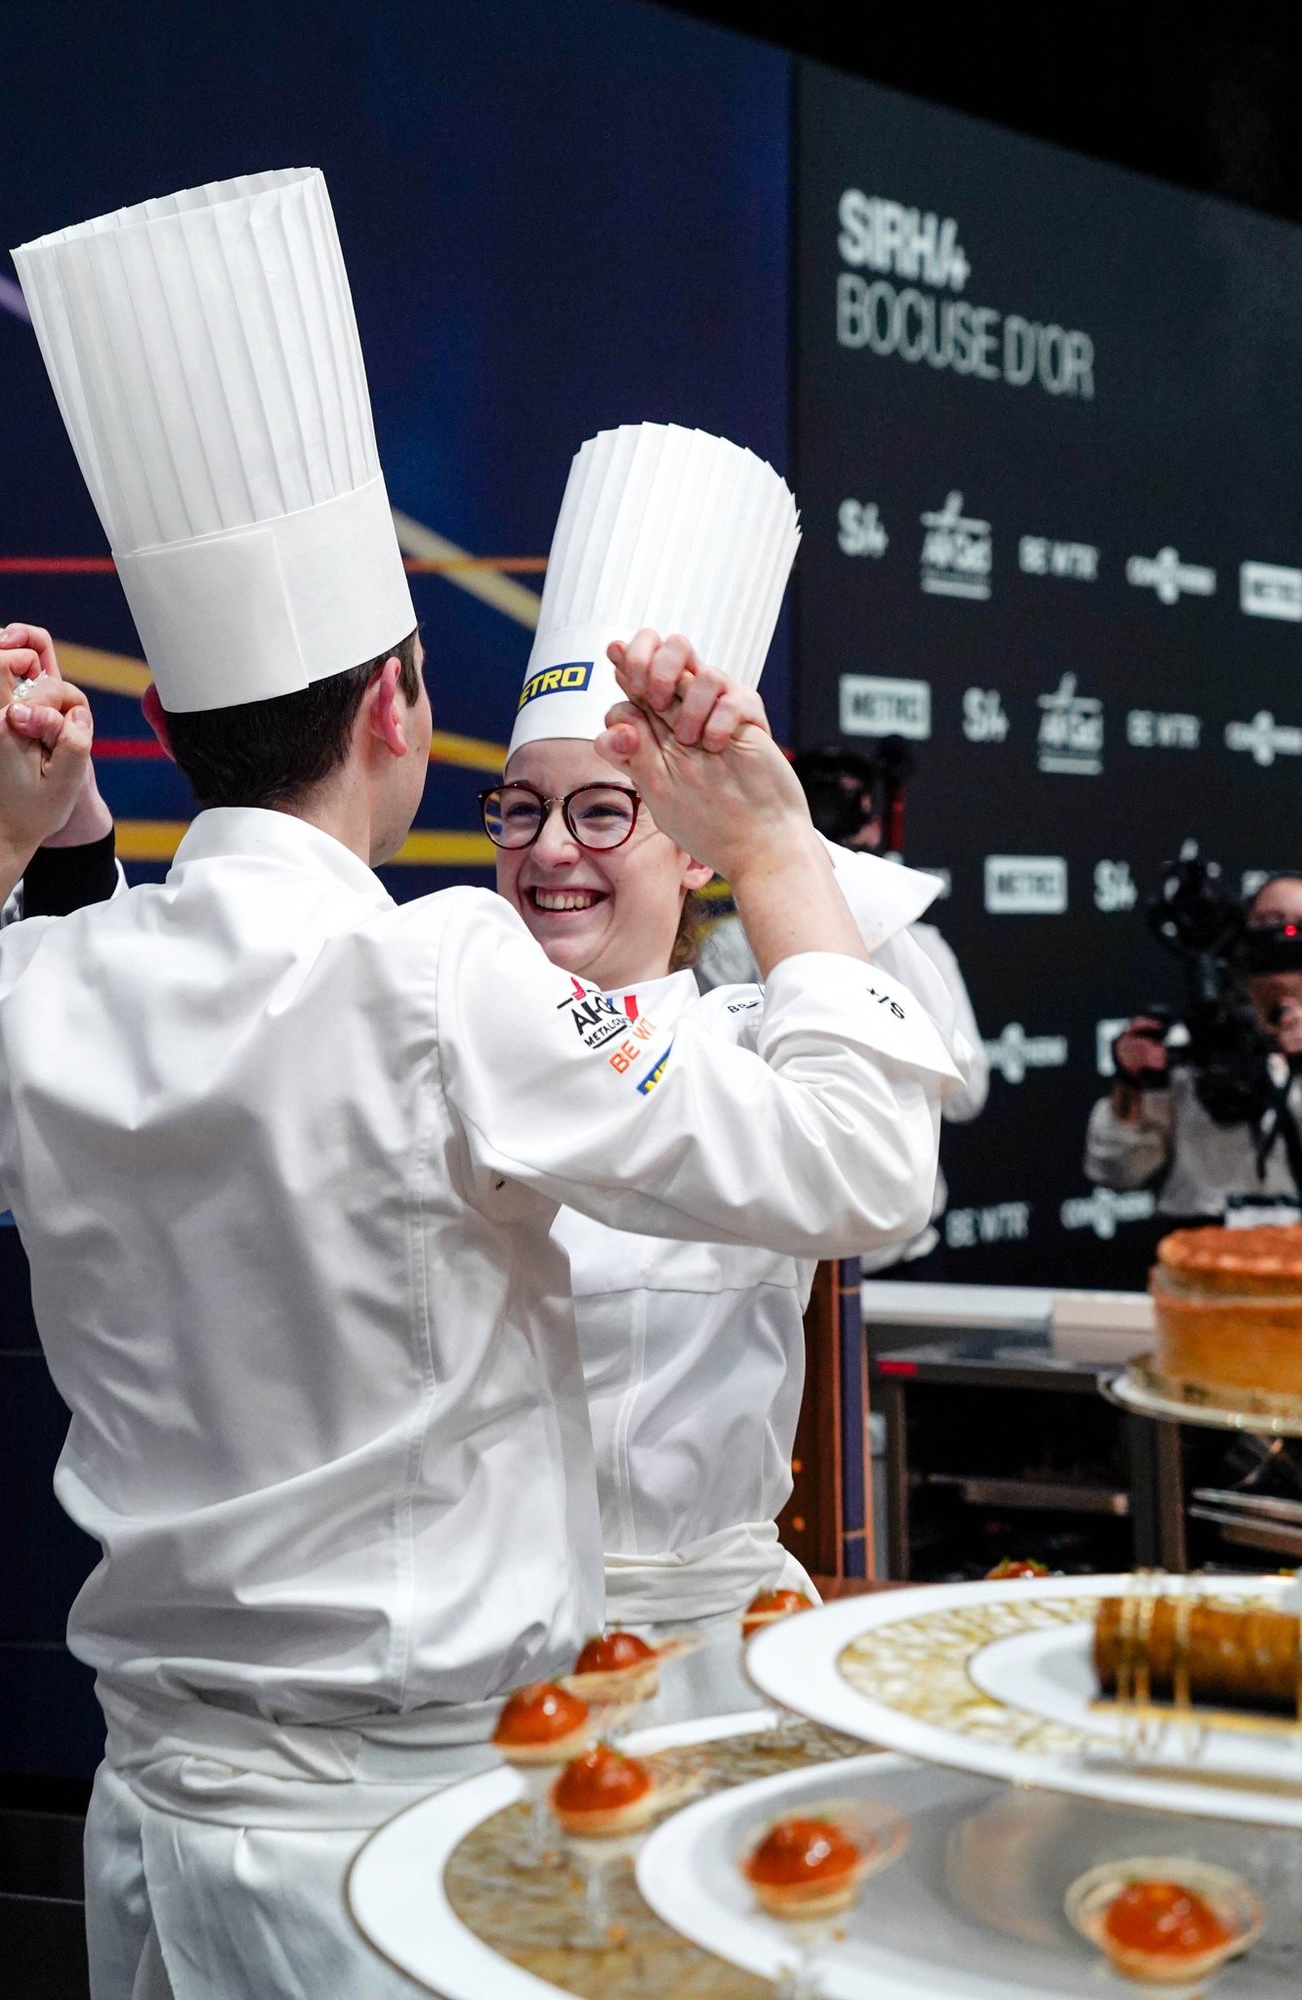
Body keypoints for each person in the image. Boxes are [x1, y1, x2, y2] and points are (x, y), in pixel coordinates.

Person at [0, 170, 957, 2000]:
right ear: (403, 709)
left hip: (157, 1823)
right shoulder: (445, 972)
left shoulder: (37, 980)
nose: (554, 852)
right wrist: (781, 847)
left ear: (163, 730)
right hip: (414, 1841)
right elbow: (866, 1162)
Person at [481, 425, 969, 1716]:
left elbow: (889, 1165)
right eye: (521, 809)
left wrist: (772, 841)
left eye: (603, 810)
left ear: (692, 847)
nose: (550, 849)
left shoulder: (756, 1044)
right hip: (480, 1656)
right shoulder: (437, 1027)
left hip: (713, 1660)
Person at [698, 741, 988, 1266]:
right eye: (816, 799)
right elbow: (719, 1087)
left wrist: (876, 937)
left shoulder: (916, 944)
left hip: (898, 1252)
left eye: (846, 801)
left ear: (874, 826)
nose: (830, 814)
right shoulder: (732, 945)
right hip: (779, 1250)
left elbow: (968, 1095)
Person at [1086, 873, 1302, 1220]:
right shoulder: (1189, 1038)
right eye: (1268, 921)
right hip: (1201, 1239)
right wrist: (1129, 1084)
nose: (1283, 935)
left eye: (1297, 925)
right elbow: (1116, 1170)